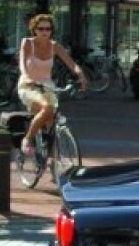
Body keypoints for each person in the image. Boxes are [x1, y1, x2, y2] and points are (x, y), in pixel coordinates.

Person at [17, 14, 87, 157]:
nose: (44, 32)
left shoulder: (55, 46)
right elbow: (22, 63)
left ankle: (52, 159)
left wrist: (81, 75)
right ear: (34, 29)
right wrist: (26, 75)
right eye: (41, 28)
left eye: (48, 29)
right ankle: (27, 139)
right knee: (47, 107)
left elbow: (71, 64)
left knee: (51, 121)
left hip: (48, 86)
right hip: (29, 85)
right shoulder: (27, 43)